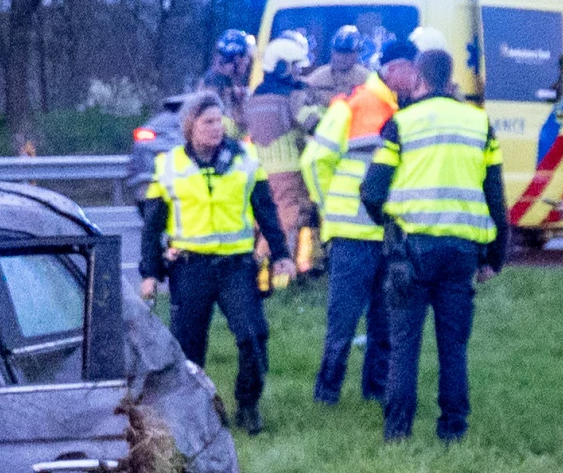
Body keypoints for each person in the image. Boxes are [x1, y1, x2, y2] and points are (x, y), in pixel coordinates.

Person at [356, 45, 506, 443]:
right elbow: (496, 197)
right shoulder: (479, 124)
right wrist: (497, 255)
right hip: (461, 251)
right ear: (450, 77)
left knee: (404, 344)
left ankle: (397, 431)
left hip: (411, 250)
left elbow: (372, 191)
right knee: (453, 345)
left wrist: (389, 227)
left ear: (419, 78)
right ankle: (453, 429)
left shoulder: (401, 124)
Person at [139, 101, 289, 428]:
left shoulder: (244, 160)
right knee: (188, 347)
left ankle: (247, 405)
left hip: (235, 266)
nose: (216, 128)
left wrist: (281, 254)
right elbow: (152, 225)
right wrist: (150, 273)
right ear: (190, 126)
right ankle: (195, 413)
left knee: (253, 335)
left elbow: (266, 209)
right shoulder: (168, 165)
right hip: (190, 267)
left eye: (219, 121)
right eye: (207, 122)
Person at [296, 36, 411, 408]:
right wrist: (330, 211)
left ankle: (374, 391)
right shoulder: (357, 104)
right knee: (343, 323)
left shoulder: (401, 109)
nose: (416, 77)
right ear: (395, 69)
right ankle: (327, 393)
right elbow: (315, 160)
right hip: (351, 234)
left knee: (385, 321)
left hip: (384, 233)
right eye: (412, 70)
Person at [241, 35, 313, 293]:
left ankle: (266, 278)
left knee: (263, 221)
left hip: (260, 170)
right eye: (294, 66)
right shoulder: (292, 96)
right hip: (289, 170)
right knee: (286, 221)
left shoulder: (255, 97)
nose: (298, 72)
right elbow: (313, 123)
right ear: (283, 66)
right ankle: (265, 271)